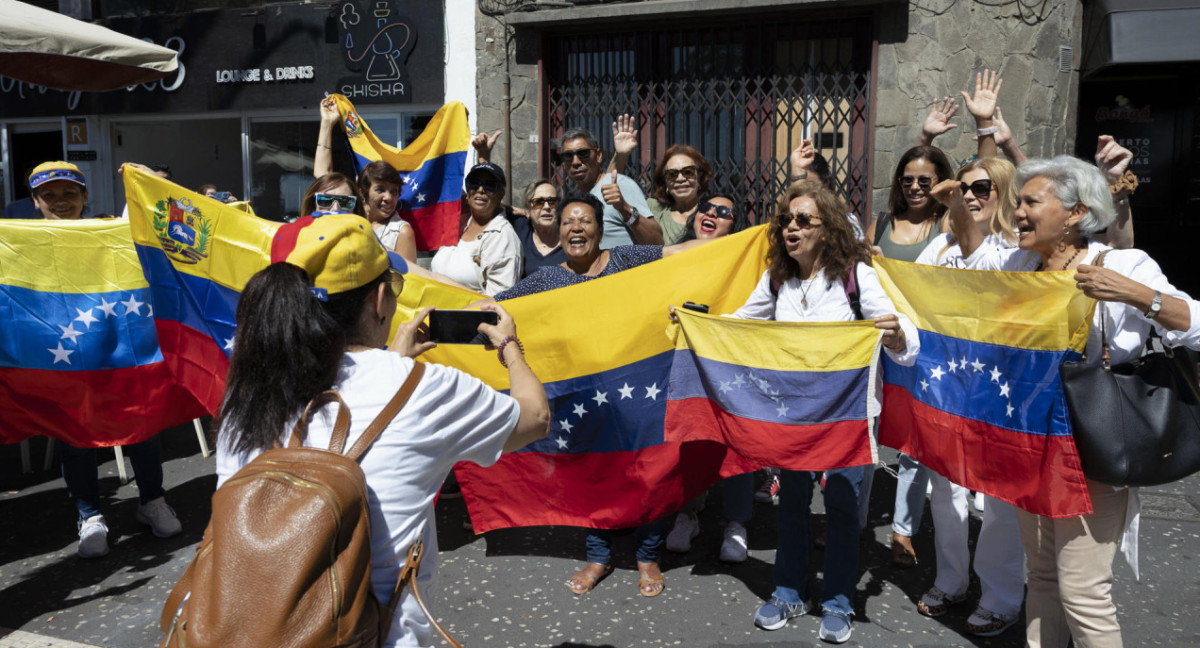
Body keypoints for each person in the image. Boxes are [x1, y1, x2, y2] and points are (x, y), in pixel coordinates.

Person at [215, 211, 550, 647]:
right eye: (393, 287)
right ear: (378, 300)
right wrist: (509, 346)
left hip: (248, 628)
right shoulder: (424, 388)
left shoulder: (248, 392)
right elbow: (534, 418)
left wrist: (391, 357)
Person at [940, 154, 1200, 648]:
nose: (1017, 212)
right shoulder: (1018, 265)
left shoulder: (1125, 265)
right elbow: (963, 274)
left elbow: (1197, 326)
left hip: (1093, 448)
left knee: (1083, 592)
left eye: (1031, 202)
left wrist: (1137, 295)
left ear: (1076, 212)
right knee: (1041, 577)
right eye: (1018, 202)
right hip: (1032, 444)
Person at [492, 192, 705, 597]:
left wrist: (743, 244)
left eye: (585, 221)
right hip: (586, 397)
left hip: (639, 388)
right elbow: (495, 306)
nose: (576, 228)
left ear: (600, 229)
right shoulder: (547, 280)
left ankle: (647, 555)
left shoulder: (627, 261)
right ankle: (598, 554)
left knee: (649, 470)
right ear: (559, 232)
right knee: (592, 472)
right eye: (568, 222)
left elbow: (681, 253)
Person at [736, 181, 919, 643]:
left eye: (803, 221)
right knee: (792, 501)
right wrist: (695, 324)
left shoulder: (856, 275)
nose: (791, 228)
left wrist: (896, 336)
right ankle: (788, 591)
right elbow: (741, 322)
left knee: (841, 505)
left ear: (829, 228)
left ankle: (838, 600)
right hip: (794, 412)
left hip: (849, 414)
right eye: (785, 221)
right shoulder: (777, 277)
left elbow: (902, 333)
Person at [31, 161, 181, 557]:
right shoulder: (21, 244)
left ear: (84, 197)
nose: (60, 202)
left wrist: (144, 183)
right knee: (76, 432)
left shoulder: (107, 231)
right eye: (50, 195)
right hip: (63, 354)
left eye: (68, 194)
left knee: (142, 421)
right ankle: (90, 515)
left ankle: (152, 501)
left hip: (119, 347)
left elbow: (143, 230)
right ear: (35, 201)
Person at [912, 157, 1025, 637]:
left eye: (983, 187)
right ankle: (951, 580)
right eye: (965, 187)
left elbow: (986, 268)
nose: (973, 195)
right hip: (947, 384)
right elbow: (908, 291)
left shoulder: (1015, 249)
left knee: (1001, 497)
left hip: (1002, 389)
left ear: (1004, 192)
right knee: (946, 490)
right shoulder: (938, 247)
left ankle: (1002, 597)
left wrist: (956, 207)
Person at [863, 143, 953, 568]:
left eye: (925, 180)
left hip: (925, 347)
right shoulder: (881, 221)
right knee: (866, 428)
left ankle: (903, 531)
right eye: (908, 180)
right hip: (878, 342)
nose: (915, 187)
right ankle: (853, 517)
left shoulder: (947, 223)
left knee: (914, 442)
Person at [663, 194, 754, 562]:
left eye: (724, 212)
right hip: (685, 360)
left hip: (733, 362)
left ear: (736, 225)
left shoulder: (746, 260)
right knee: (691, 437)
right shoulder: (674, 254)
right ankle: (687, 515)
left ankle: (737, 523)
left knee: (737, 440)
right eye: (706, 208)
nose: (711, 214)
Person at [315, 96, 418, 262]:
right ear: (362, 192)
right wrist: (327, 123)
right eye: (380, 190)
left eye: (394, 192)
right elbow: (323, 176)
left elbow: (411, 281)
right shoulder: (347, 211)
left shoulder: (402, 232)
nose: (388, 197)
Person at [557, 126, 662, 248]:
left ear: (598, 155)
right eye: (568, 156)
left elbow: (658, 242)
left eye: (583, 154)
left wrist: (625, 208)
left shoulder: (621, 185)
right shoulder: (576, 199)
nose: (575, 162)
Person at [430, 163, 523, 296]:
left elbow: (497, 302)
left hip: (468, 316)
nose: (480, 189)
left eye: (490, 185)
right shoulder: (458, 226)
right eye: (474, 183)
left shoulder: (502, 238)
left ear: (500, 194)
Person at [645, 144, 713, 245]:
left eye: (688, 172)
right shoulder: (653, 209)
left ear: (699, 176)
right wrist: (620, 157)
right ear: (665, 181)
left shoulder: (712, 214)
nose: (680, 179)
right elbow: (614, 202)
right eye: (672, 174)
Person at [512, 179, 567, 278]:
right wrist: (526, 213)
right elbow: (490, 206)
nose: (546, 207)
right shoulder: (520, 228)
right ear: (528, 207)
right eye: (539, 202)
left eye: (552, 201)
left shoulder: (569, 236)